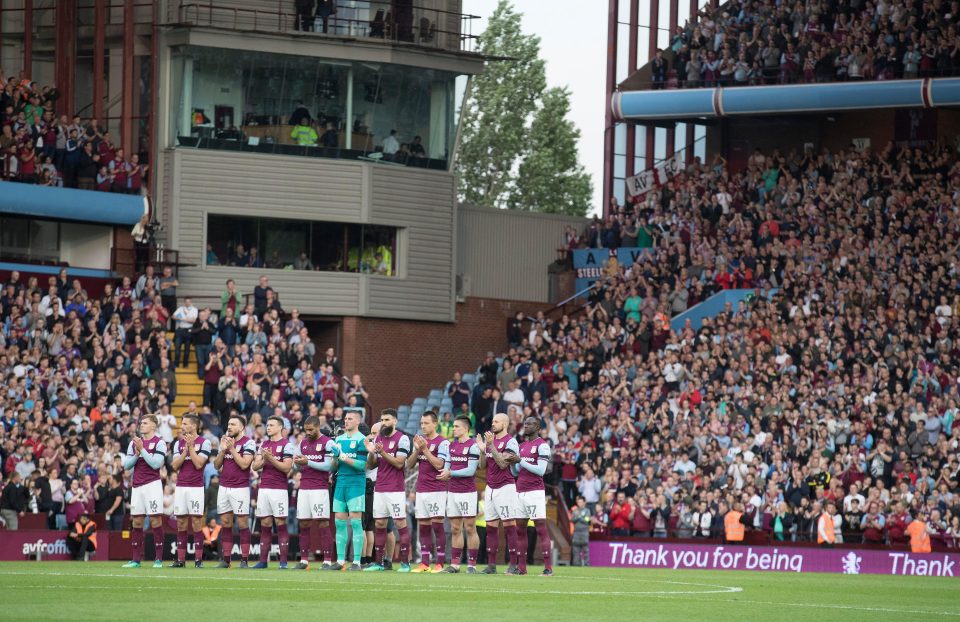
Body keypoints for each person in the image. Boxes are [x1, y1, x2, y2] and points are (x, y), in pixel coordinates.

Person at [364, 408, 413, 572]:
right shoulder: (378, 438)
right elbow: (371, 465)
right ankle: (379, 563)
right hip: (380, 488)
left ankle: (405, 563)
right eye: (382, 420)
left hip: (396, 489)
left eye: (387, 420)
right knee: (379, 524)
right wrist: (372, 453)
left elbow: (399, 463)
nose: (384, 422)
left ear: (395, 421)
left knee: (400, 523)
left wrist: (382, 452)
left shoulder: (403, 439)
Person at [476, 412, 522, 574]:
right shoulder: (491, 441)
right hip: (490, 487)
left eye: (496, 421)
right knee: (490, 528)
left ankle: (514, 564)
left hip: (505, 487)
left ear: (504, 424)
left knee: (510, 526)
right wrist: (482, 450)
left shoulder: (511, 442)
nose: (493, 424)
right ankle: (491, 565)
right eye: (492, 421)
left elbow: (503, 463)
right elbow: (482, 466)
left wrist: (491, 446)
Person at [121, 415, 167, 568]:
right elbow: (127, 466)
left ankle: (158, 559)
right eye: (141, 422)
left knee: (155, 521)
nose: (141, 425)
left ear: (153, 426)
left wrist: (142, 450)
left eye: (145, 423)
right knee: (137, 521)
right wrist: (136, 453)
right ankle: (135, 560)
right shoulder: (134, 443)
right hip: (137, 486)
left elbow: (155, 464)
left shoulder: (159, 443)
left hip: (153, 486)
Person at [407, 410, 450, 573]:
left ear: (435, 424)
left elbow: (439, 465)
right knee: (423, 527)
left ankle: (440, 562)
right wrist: (417, 450)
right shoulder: (421, 442)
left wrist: (425, 450)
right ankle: (424, 563)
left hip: (436, 489)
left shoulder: (443, 442)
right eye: (421, 423)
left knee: (437, 526)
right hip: (422, 489)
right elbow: (409, 465)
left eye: (426, 423)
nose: (423, 426)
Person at [292, 415, 337, 570]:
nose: (308, 432)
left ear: (318, 427)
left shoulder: (328, 443)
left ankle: (327, 560)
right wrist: (297, 464)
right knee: (303, 522)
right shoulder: (303, 443)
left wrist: (308, 462)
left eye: (311, 429)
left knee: (323, 522)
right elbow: (297, 466)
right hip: (304, 488)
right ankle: (304, 560)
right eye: (306, 430)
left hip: (320, 488)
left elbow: (329, 466)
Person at [213, 413, 256, 568]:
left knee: (242, 523)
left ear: (241, 427)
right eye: (228, 424)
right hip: (224, 487)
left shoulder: (249, 443)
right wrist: (223, 451)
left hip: (240, 488)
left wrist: (232, 449)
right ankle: (226, 560)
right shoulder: (224, 442)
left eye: (233, 424)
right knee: (225, 522)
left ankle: (244, 560)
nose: (229, 427)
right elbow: (217, 465)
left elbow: (245, 464)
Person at [252, 416, 295, 569]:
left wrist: (271, 458)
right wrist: (264, 459)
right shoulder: (264, 444)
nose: (268, 427)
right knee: (265, 523)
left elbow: (286, 468)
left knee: (280, 523)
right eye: (267, 424)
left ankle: (283, 562)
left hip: (279, 490)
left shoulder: (287, 445)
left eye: (271, 425)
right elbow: (255, 466)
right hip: (264, 489)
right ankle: (263, 561)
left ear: (280, 428)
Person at [441, 415, 481, 573]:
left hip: (467, 492)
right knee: (455, 528)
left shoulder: (473, 446)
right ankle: (455, 564)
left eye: (457, 426)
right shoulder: (451, 446)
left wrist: (450, 473)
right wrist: (445, 472)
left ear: (466, 429)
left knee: (470, 528)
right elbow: (447, 466)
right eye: (454, 426)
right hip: (452, 492)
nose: (454, 429)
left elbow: (471, 470)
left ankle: (472, 564)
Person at [170, 414, 211, 568]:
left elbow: (199, 464)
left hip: (196, 487)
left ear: (194, 426)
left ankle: (198, 560)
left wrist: (191, 448)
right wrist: (185, 451)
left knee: (196, 523)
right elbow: (175, 465)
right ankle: (181, 560)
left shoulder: (205, 442)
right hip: (181, 486)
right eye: (182, 423)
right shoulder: (178, 443)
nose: (182, 426)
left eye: (185, 423)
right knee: (180, 523)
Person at [516, 415, 554, 576]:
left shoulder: (543, 446)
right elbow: (517, 471)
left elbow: (541, 470)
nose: (526, 425)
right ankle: (522, 568)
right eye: (525, 423)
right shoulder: (521, 445)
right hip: (520, 491)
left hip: (535, 492)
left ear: (538, 427)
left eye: (530, 423)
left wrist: (520, 461)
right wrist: (512, 463)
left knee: (541, 529)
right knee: (520, 530)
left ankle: (548, 568)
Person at [331, 409, 368, 570]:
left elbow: (361, 465)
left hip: (356, 484)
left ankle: (357, 561)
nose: (346, 421)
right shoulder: (337, 440)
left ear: (358, 421)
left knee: (355, 521)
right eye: (345, 419)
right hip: (340, 482)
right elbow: (334, 467)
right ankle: (340, 561)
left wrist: (342, 456)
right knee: (339, 521)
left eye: (350, 419)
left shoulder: (362, 440)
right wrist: (334, 457)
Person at [171, 297, 198, 369]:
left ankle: (185, 364)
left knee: (187, 349)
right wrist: (182, 319)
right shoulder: (180, 308)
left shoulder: (194, 309)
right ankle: (176, 364)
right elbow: (173, 316)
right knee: (177, 348)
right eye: (186, 302)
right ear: (184, 302)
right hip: (180, 330)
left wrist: (183, 319)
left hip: (189, 330)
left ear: (191, 302)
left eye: (189, 301)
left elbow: (193, 321)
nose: (187, 303)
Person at [570, 496, 591, 566]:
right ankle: (576, 565)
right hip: (576, 533)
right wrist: (581, 517)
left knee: (586, 551)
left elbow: (587, 520)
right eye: (578, 502)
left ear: (584, 503)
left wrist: (578, 516)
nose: (580, 503)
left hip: (584, 533)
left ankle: (586, 565)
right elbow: (572, 520)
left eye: (581, 502)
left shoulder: (587, 511)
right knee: (575, 550)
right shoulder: (574, 511)